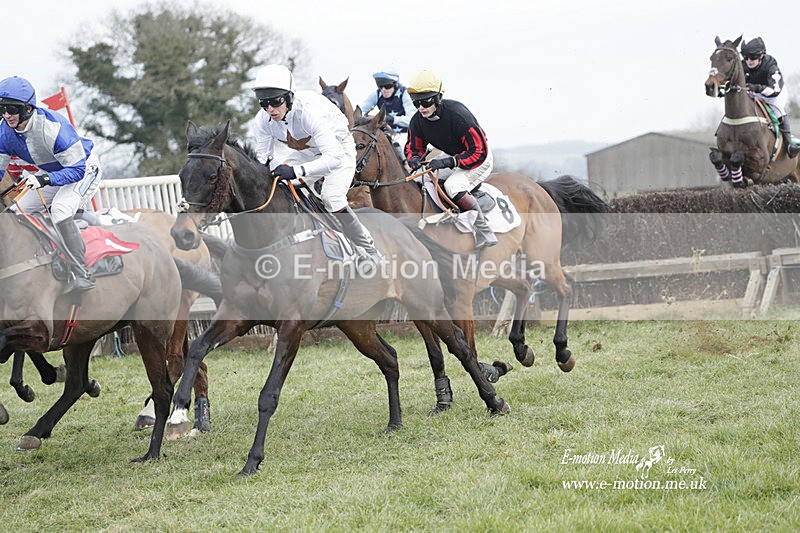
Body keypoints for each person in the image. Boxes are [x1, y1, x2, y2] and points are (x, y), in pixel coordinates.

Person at [250, 64, 382, 269]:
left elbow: (333, 158)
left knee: (331, 197)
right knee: (279, 186)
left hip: (339, 150)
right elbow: (263, 159)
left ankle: (369, 249)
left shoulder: (308, 112)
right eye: (264, 103)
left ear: (289, 97)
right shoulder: (262, 120)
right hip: (307, 153)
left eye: (275, 102)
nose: (270, 109)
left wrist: (296, 171)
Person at [0, 76, 103, 292]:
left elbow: (76, 170)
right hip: (52, 172)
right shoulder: (4, 131)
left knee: (60, 209)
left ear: (28, 109)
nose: (6, 114)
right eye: (2, 109)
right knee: (15, 211)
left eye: (11, 109)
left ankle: (82, 272)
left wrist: (44, 179)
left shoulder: (53, 128)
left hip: (84, 169)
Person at [404, 70, 497, 250]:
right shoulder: (417, 121)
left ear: (438, 98)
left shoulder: (458, 115)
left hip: (479, 158)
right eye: (416, 103)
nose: (421, 107)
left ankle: (484, 230)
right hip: (453, 156)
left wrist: (449, 162)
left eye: (425, 101)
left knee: (453, 185)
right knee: (420, 178)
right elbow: (413, 147)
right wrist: (413, 159)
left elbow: (478, 151)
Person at [741, 37, 800, 159]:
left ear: (761, 55)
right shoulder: (743, 65)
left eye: (752, 57)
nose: (749, 61)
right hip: (755, 92)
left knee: (778, 110)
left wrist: (756, 87)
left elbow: (774, 90)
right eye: (746, 57)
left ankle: (789, 144)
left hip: (774, 93)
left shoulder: (770, 65)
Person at [359, 69, 416, 138]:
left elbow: (413, 120)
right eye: (380, 86)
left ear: (395, 84)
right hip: (387, 134)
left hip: (406, 134)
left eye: (387, 86)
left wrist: (392, 119)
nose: (383, 90)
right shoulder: (377, 94)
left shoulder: (405, 94)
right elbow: (361, 111)